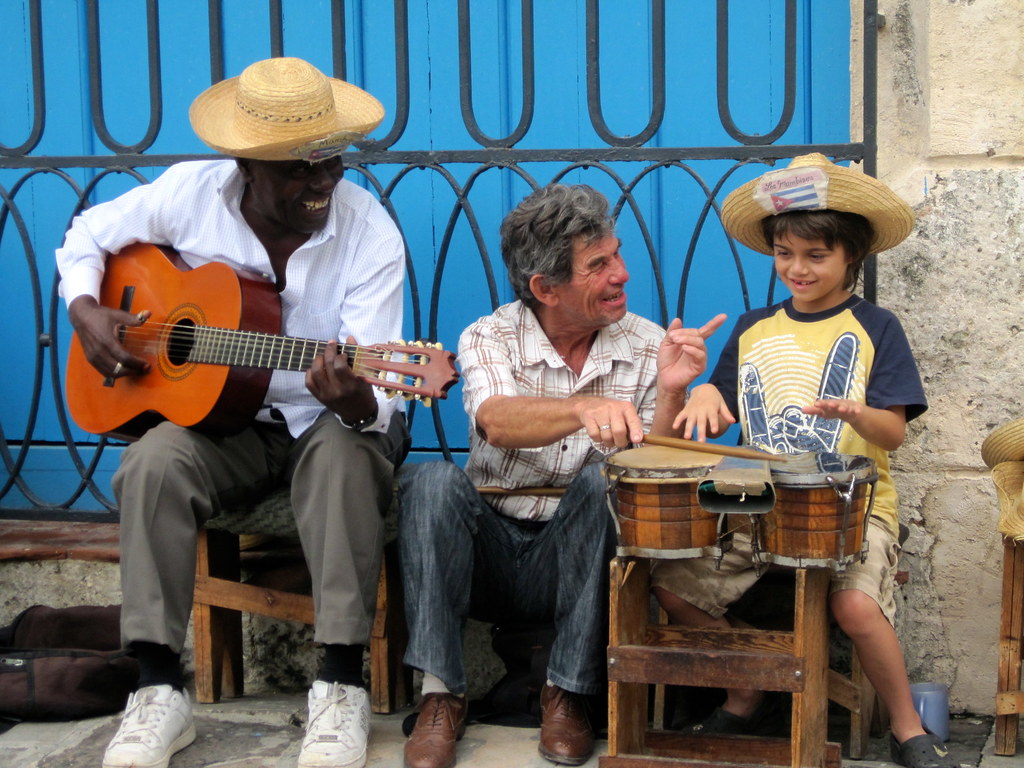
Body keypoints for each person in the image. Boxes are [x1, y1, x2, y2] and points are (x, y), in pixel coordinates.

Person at [56, 57, 409, 768]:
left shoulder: (370, 232)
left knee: (343, 455)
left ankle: (339, 686)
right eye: (298, 170)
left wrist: (359, 393)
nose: (322, 182)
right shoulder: (189, 194)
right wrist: (89, 311)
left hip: (325, 424)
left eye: (331, 162)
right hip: (225, 426)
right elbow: (86, 236)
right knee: (151, 462)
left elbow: (387, 391)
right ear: (247, 165)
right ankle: (158, 690)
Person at [397, 183, 726, 768]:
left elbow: (657, 468)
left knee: (611, 478)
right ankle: (438, 698)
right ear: (545, 288)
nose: (621, 274)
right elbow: (495, 420)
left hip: (579, 559)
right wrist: (581, 409)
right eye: (597, 265)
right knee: (429, 483)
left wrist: (675, 391)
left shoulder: (650, 344)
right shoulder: (490, 334)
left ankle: (568, 694)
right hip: (485, 557)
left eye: (616, 255)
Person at [656, 153, 955, 768]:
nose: (797, 268)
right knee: (667, 582)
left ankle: (907, 728)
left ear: (851, 256)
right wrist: (706, 390)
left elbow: (893, 433)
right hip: (757, 499)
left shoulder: (876, 326)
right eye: (785, 253)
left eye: (816, 256)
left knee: (853, 605)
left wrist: (855, 414)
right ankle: (747, 682)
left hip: (855, 504)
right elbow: (721, 403)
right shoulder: (753, 327)